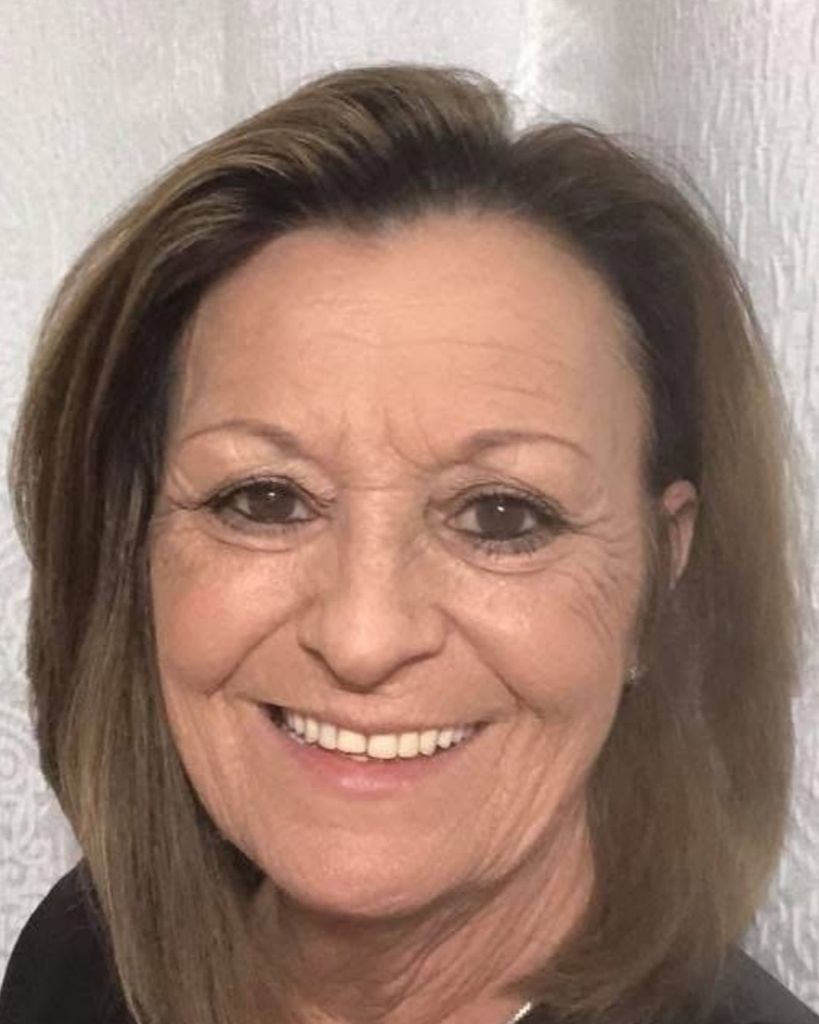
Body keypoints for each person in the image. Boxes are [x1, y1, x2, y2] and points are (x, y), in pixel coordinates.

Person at [0, 64, 816, 1024]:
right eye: (264, 499)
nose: (363, 637)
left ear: (658, 578)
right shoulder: (82, 956)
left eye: (502, 516)